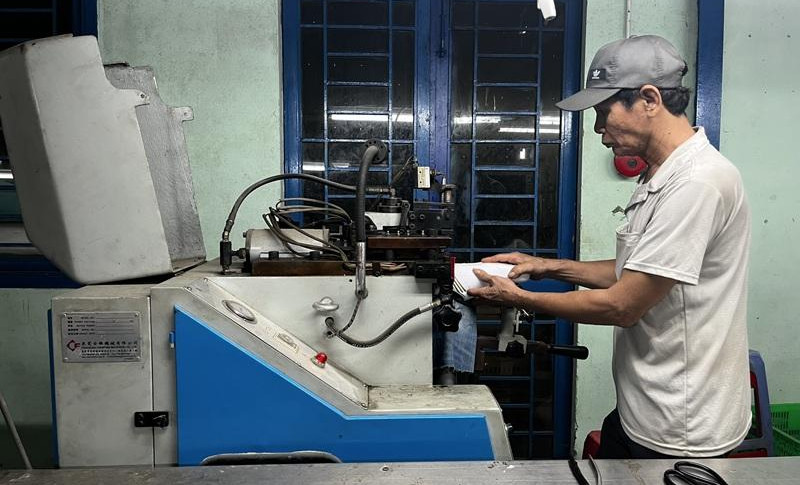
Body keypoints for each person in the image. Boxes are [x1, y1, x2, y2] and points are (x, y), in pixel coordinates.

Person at [468, 35, 751, 459]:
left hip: (682, 427)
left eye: (604, 113)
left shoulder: (696, 184)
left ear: (650, 99)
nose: (599, 130)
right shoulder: (661, 177)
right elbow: (631, 271)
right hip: (644, 406)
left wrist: (520, 297)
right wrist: (545, 266)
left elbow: (623, 304)